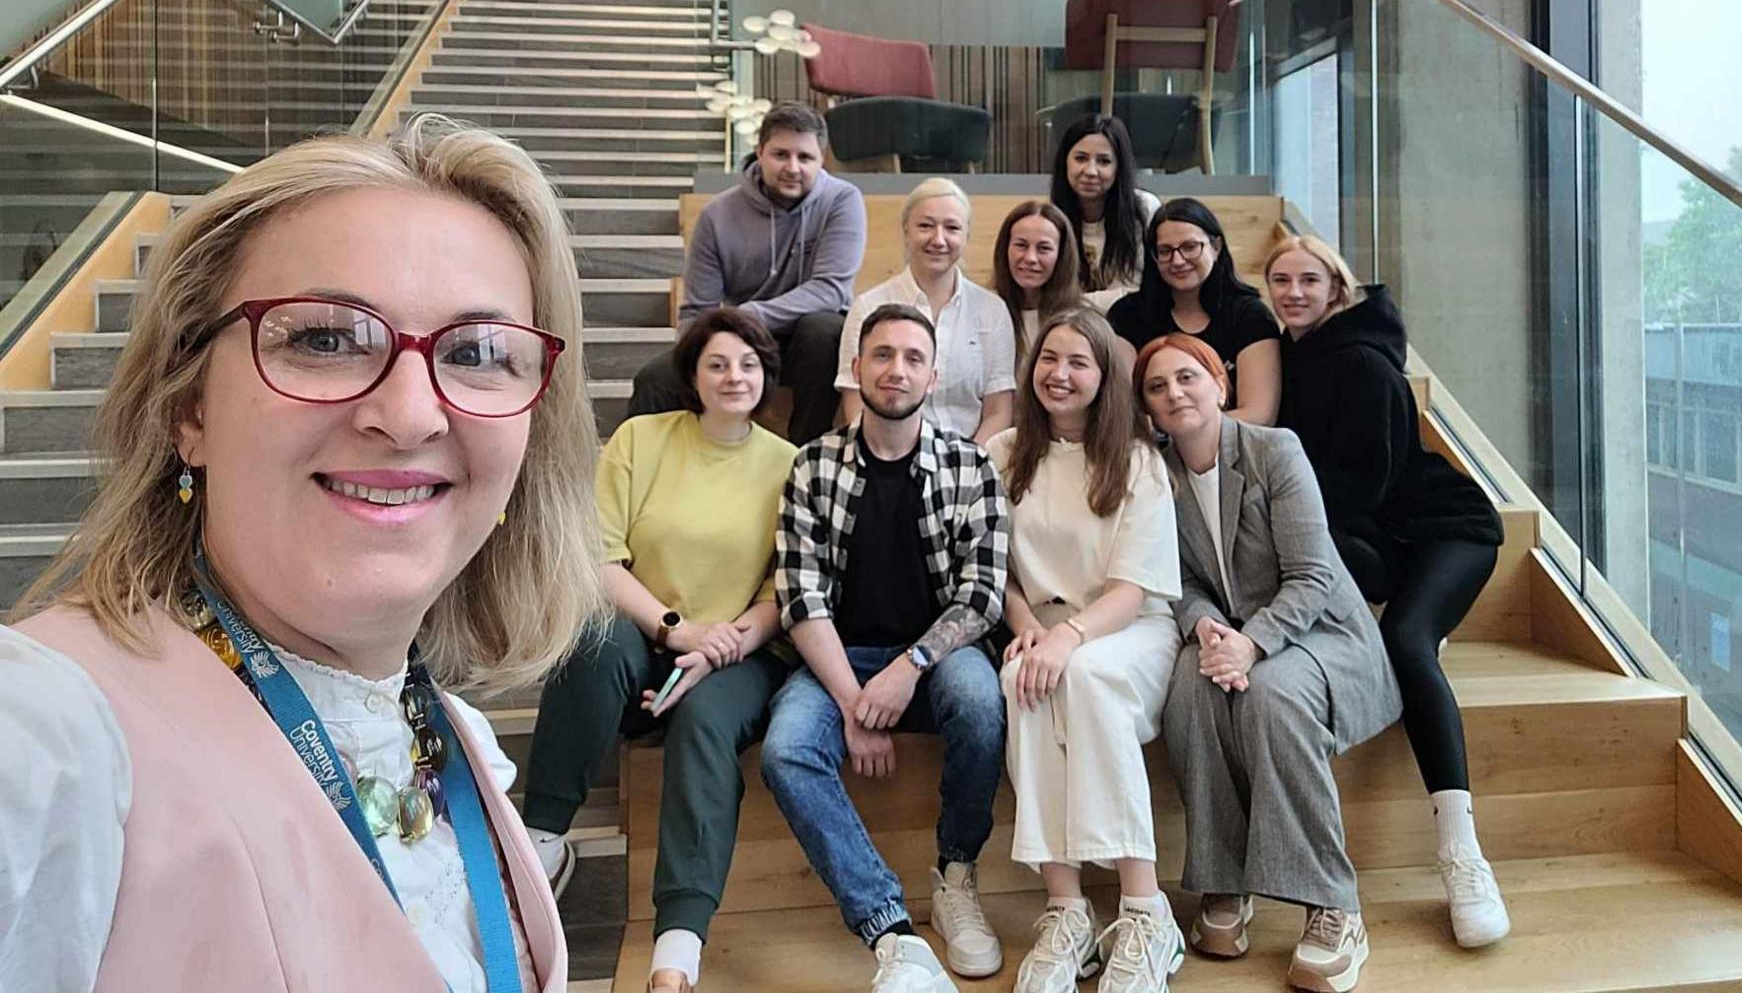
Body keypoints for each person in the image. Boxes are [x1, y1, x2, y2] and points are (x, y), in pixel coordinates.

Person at [0, 117, 606, 992]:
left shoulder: (454, 740)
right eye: (324, 338)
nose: (409, 415)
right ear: (189, 406)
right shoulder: (47, 736)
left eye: (477, 354)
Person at [521, 308, 799, 993]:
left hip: (740, 653)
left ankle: (677, 947)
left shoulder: (791, 464)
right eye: (718, 364)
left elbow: (787, 587)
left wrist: (720, 646)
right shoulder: (642, 440)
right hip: (650, 636)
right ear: (692, 377)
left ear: (766, 377)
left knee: (705, 721)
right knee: (591, 636)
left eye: (749, 365)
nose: (735, 376)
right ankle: (545, 840)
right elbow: (602, 560)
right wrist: (676, 632)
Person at [1266, 235, 1510, 949]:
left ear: (1336, 288)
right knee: (1340, 572)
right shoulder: (1291, 359)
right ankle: (1420, 611)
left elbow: (1361, 483)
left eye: (1309, 280)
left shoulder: (1364, 362)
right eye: (1280, 280)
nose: (1293, 292)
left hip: (1449, 531)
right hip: (1384, 540)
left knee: (1404, 643)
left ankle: (1462, 853)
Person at [1138, 334, 1402, 993]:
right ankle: (1224, 884)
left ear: (1219, 384)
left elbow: (1313, 576)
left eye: (1187, 377)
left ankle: (1334, 906)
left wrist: (1249, 644)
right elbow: (1179, 580)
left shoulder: (1273, 451)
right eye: (1157, 386)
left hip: (1323, 634)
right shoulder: (1158, 479)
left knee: (1271, 696)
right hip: (1231, 640)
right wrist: (1204, 628)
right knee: (1187, 696)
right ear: (1148, 409)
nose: (1175, 393)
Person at [761, 303, 1010, 993]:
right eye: (882, 355)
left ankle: (956, 874)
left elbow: (981, 597)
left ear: (933, 378)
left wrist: (911, 667)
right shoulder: (813, 465)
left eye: (912, 358)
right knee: (786, 749)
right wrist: (853, 701)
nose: (895, 369)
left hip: (934, 656)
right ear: (857, 367)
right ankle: (893, 932)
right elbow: (801, 597)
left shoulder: (970, 466)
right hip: (839, 657)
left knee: (981, 702)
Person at [988, 311, 1185, 993]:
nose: (1060, 374)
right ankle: (1066, 910)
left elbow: (1133, 589)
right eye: (1050, 359)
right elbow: (1000, 573)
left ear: (1105, 379)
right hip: (1043, 629)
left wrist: (1069, 637)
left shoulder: (1136, 460)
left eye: (1078, 362)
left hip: (1127, 630)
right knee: (1024, 680)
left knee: (1089, 679)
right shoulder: (1006, 452)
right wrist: (1030, 631)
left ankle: (1144, 909)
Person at [629, 101, 867, 444]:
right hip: (738, 340)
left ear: (822, 159)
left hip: (805, 341)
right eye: (781, 154)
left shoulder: (842, 201)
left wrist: (747, 315)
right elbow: (698, 311)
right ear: (759, 152)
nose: (793, 167)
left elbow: (830, 290)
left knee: (825, 328)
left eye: (805, 158)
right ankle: (643, 475)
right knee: (654, 380)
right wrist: (700, 355)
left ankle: (803, 456)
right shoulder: (717, 216)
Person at [837, 178, 1014, 444]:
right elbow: (855, 405)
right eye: (925, 226)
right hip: (887, 458)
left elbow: (999, 412)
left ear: (966, 236)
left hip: (968, 466)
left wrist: (965, 467)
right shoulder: (868, 308)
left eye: (952, 228)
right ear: (906, 230)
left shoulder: (992, 311)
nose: (938, 239)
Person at [1107, 198, 1281, 425]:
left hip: (1234, 451)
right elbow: (1123, 409)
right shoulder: (1127, 314)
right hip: (1152, 452)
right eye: (1165, 251)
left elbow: (1259, 415)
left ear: (1216, 246)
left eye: (1190, 247)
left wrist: (1188, 432)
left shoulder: (1251, 316)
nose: (1178, 261)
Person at [1048, 115, 1161, 312]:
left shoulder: (1144, 209)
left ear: (1119, 168)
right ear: (1065, 161)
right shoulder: (1053, 218)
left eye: (1104, 161)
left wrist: (1070, 304)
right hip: (1074, 329)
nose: (1091, 171)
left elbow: (1137, 294)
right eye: (1080, 158)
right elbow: (1049, 295)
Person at [990, 199, 1085, 370]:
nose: (1030, 258)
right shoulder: (985, 310)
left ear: (1061, 256)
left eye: (1043, 248)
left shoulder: (1083, 319)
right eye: (1021, 245)